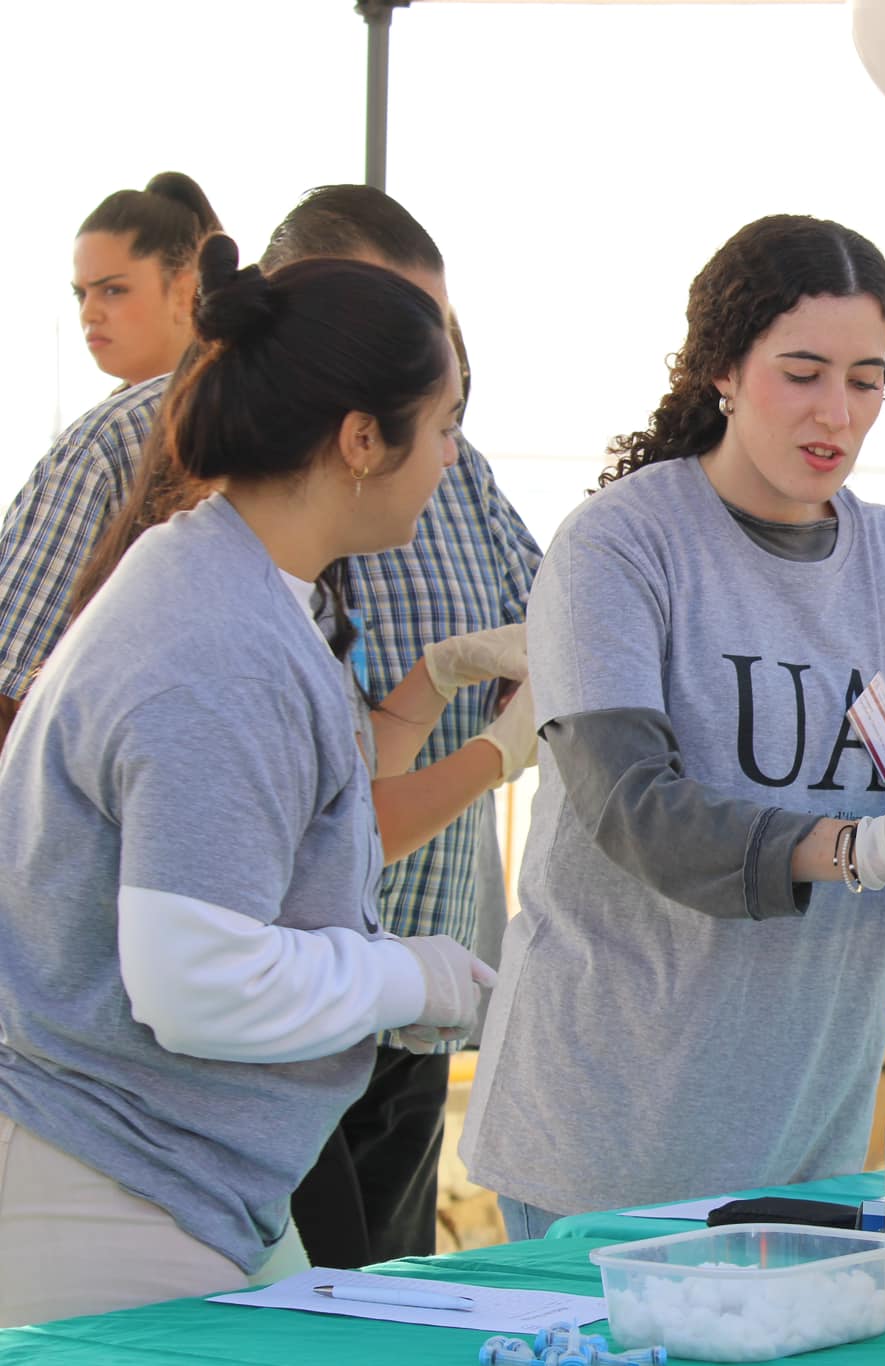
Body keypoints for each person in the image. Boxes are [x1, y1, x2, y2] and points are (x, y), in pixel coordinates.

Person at [460, 215, 885, 1237]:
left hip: (807, 1138)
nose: (836, 411)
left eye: (865, 380)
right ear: (721, 371)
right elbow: (631, 807)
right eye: (802, 372)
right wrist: (854, 846)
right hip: (609, 1134)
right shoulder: (620, 545)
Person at [0, 184, 544, 1270]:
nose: (451, 460)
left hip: (183, 1168)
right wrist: (413, 974)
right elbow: (196, 980)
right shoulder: (213, 641)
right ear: (358, 438)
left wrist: (434, 682)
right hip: (108, 1177)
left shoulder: (244, 585)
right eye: (440, 428)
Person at [71, 173, 222, 393]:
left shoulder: (241, 409)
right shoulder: (114, 420)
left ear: (184, 291)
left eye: (113, 290)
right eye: (81, 294)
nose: (88, 313)